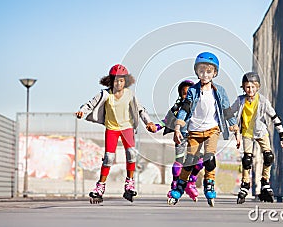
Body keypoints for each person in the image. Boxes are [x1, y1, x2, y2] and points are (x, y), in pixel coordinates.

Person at [75, 64, 157, 204]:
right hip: (112, 128)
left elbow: (141, 110)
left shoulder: (130, 95)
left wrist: (149, 122)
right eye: (115, 80)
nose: (118, 83)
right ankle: (100, 187)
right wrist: (82, 111)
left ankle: (129, 183)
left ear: (126, 81)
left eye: (121, 80)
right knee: (108, 157)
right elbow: (89, 104)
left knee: (131, 154)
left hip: (127, 128)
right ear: (110, 81)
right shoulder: (105, 94)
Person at [169, 52, 238, 207]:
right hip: (193, 130)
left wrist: (234, 127)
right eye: (201, 71)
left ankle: (209, 185)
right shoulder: (193, 90)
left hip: (212, 129)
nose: (205, 74)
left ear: (214, 73)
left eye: (209, 71)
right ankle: (180, 187)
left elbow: (226, 110)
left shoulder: (219, 91)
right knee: (189, 162)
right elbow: (185, 109)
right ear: (196, 71)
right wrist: (178, 126)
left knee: (209, 158)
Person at [229, 71, 283, 204]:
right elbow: (229, 113)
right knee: (247, 159)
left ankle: (265, 181)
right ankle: (245, 184)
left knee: (268, 156)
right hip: (247, 133)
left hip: (261, 132)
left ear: (257, 87)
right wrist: (232, 126)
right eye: (247, 87)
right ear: (243, 88)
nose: (250, 90)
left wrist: (282, 135)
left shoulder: (262, 101)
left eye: (253, 87)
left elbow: (274, 117)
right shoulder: (240, 101)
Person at [162, 80, 204, 203]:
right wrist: (156, 126)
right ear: (180, 94)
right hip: (180, 135)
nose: (186, 95)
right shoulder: (177, 107)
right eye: (184, 93)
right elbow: (166, 120)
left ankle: (191, 182)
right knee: (179, 163)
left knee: (200, 161)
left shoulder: (200, 107)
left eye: (189, 93)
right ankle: (175, 184)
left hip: (195, 137)